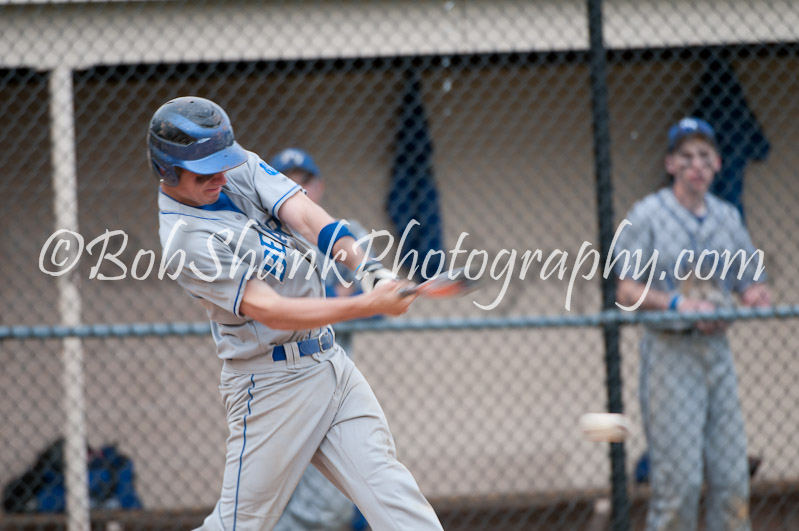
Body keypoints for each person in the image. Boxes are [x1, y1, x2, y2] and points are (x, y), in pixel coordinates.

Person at [148, 96, 443, 531]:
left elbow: (305, 216)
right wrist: (368, 304)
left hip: (331, 365)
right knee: (239, 524)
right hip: (271, 384)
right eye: (204, 169)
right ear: (167, 170)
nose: (220, 176)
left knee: (394, 496)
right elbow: (273, 311)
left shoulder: (236, 166)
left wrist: (372, 271)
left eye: (222, 162)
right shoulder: (185, 238)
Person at [614, 117, 772, 531]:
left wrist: (756, 293)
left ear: (719, 163)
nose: (696, 165)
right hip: (671, 354)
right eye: (686, 157)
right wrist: (676, 304)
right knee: (679, 484)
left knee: (732, 480)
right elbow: (625, 291)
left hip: (717, 356)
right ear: (670, 164)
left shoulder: (726, 217)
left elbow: (751, 280)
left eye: (705, 156)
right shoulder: (648, 215)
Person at [267, 148, 369, 531]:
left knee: (324, 508)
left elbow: (371, 304)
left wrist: (333, 301)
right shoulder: (260, 238)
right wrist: (336, 298)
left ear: (319, 185)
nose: (298, 189)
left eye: (304, 180)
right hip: (272, 383)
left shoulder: (347, 234)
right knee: (269, 498)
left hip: (327, 380)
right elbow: (269, 308)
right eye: (286, 181)